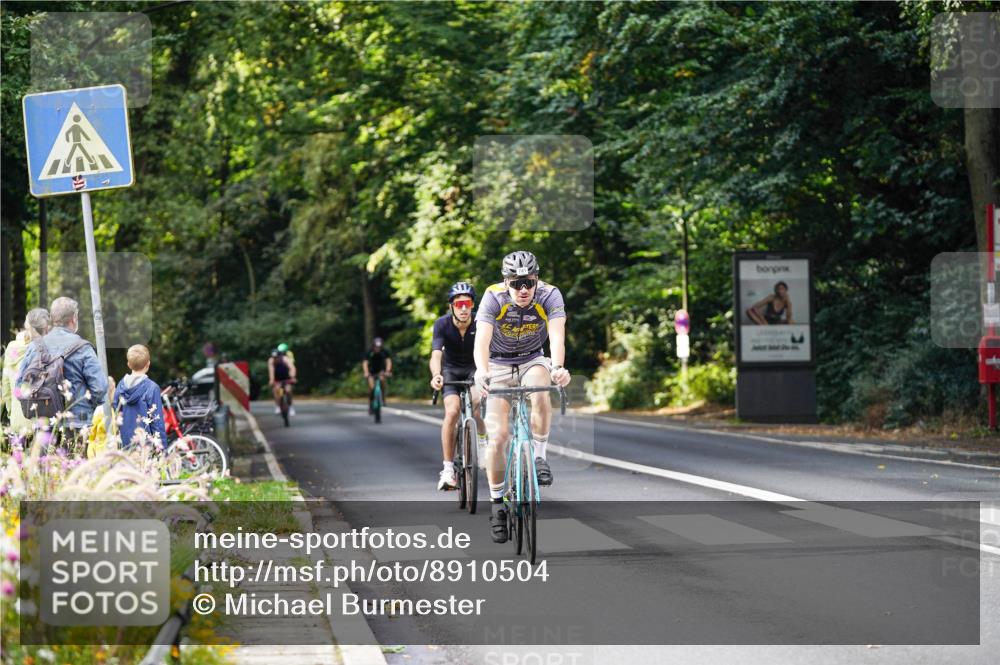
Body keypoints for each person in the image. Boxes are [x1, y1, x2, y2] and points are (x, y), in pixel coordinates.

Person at [474, 251, 571, 543]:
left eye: (528, 282)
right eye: (516, 284)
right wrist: (481, 371)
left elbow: (556, 337)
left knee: (542, 390)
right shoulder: (493, 297)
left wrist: (558, 367)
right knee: (499, 435)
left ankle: (539, 458)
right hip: (498, 363)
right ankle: (497, 505)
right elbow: (481, 340)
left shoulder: (550, 295)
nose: (523, 290)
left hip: (532, 360)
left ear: (537, 279)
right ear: (506, 283)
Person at [16, 297, 108, 433]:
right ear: (74, 318)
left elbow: (19, 384)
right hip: (77, 423)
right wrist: (87, 406)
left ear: (52, 318)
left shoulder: (35, 346)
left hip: (43, 423)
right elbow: (99, 388)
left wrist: (39, 405)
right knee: (75, 454)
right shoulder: (83, 348)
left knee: (45, 455)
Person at [429, 281, 488, 490]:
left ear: (473, 305)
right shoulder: (442, 324)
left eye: (468, 303)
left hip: (475, 370)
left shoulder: (481, 322)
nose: (464, 308)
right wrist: (436, 375)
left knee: (478, 406)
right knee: (452, 412)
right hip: (451, 371)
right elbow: (436, 354)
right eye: (459, 304)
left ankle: (481, 444)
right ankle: (447, 469)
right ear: (451, 307)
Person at [1, 308, 51, 436]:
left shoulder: (12, 348)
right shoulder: (48, 351)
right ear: (46, 328)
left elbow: (6, 387)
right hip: (41, 424)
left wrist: (11, 412)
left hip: (17, 422)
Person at [113, 345, 169, 449]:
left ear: (129, 364)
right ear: (148, 364)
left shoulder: (120, 386)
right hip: (145, 447)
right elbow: (157, 422)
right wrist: (162, 450)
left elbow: (115, 416)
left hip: (124, 447)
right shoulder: (152, 388)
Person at [362, 337, 392, 412]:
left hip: (381, 371)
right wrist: (366, 372)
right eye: (376, 347)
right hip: (371, 372)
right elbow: (365, 363)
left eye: (379, 347)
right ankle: (370, 404)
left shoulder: (384, 352)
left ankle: (383, 399)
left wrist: (388, 371)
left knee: (382, 382)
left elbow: (388, 361)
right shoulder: (369, 352)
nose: (377, 349)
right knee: (372, 388)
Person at [268, 345, 297, 416]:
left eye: (277, 357)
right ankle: (278, 406)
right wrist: (271, 380)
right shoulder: (271, 361)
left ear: (280, 356)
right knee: (276, 390)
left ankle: (290, 407)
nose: (276, 359)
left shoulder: (285, 359)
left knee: (288, 390)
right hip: (277, 379)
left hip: (286, 378)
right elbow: (271, 371)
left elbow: (292, 368)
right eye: (274, 358)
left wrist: (292, 376)